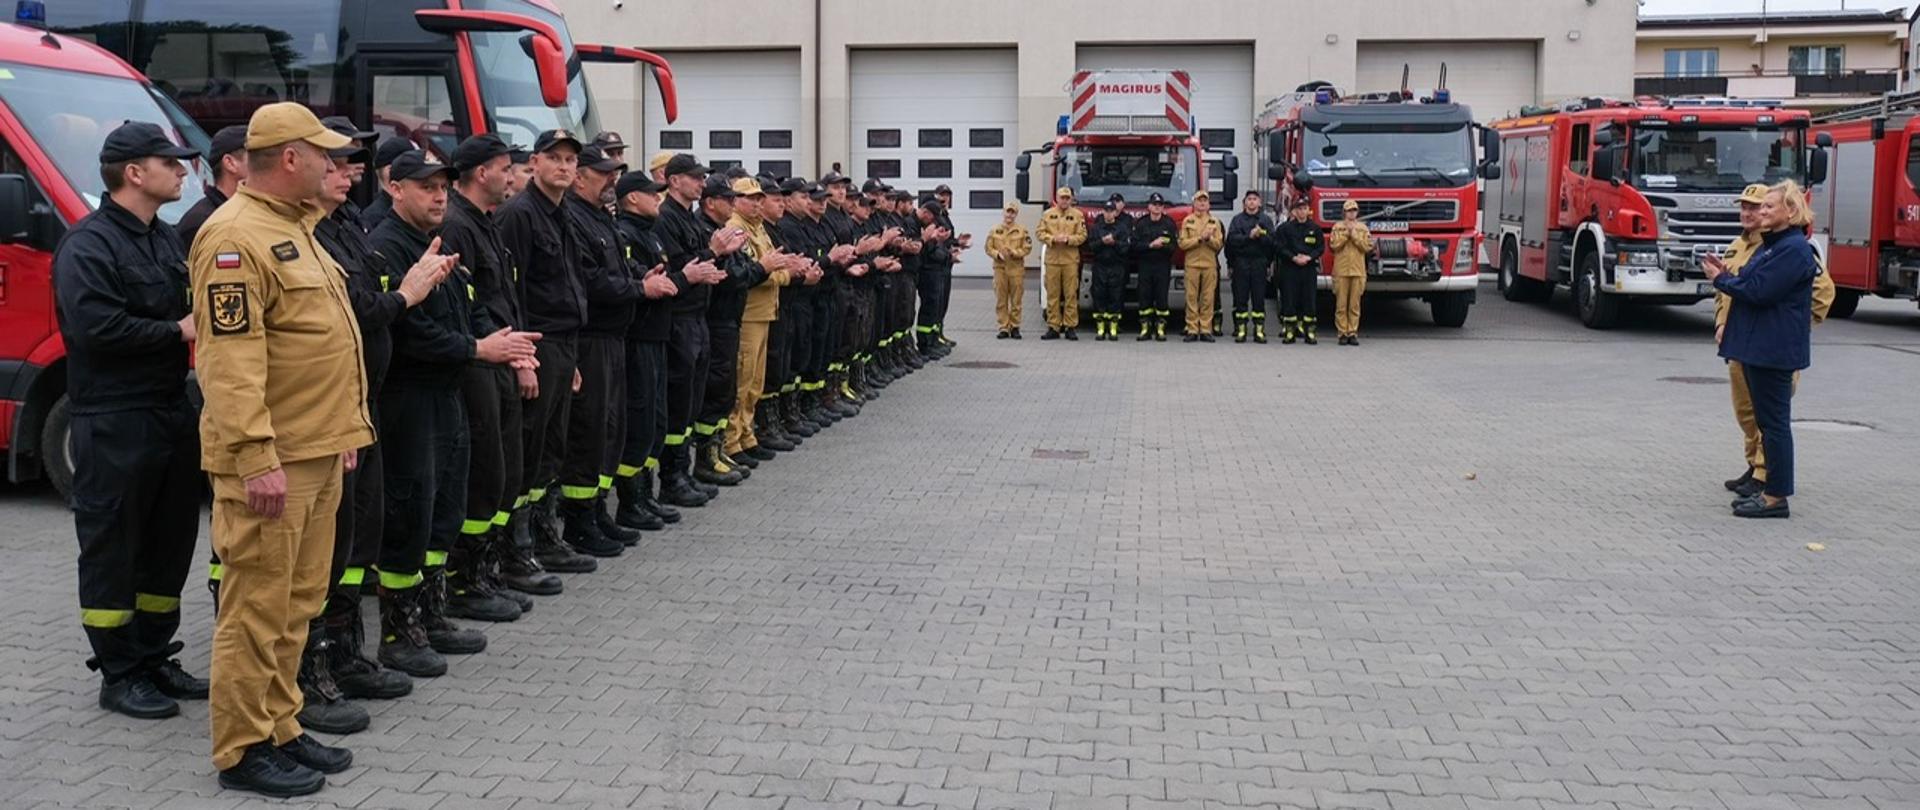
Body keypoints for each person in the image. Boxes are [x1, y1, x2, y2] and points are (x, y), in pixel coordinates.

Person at [191, 102, 385, 798]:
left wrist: (341, 435)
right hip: (272, 460)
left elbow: (316, 348)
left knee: (298, 601)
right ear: (292, 159)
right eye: (327, 154)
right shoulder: (233, 237)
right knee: (256, 609)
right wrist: (254, 456)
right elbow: (232, 362)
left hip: (318, 448)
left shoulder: (298, 229)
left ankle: (280, 724)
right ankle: (241, 750)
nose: (339, 166)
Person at [52, 122, 207, 721]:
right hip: (113, 417)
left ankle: (153, 654)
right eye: (170, 162)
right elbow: (96, 330)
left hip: (169, 410)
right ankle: (118, 673)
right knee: (114, 545)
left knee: (169, 543)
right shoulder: (87, 246)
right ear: (134, 173)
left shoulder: (165, 241)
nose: (182, 171)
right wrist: (177, 330)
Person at [371, 150, 539, 675]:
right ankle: (399, 632)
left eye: (443, 186)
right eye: (426, 187)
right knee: (408, 515)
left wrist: (500, 339)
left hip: (447, 397)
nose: (439, 195)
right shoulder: (385, 248)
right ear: (395, 188)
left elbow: (471, 306)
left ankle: (432, 611)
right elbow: (406, 330)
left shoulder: (437, 245)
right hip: (409, 400)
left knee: (443, 511)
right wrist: (475, 350)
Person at [307, 120, 432, 729]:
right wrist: (406, 294)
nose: (349, 170)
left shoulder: (345, 225)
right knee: (319, 550)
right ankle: (309, 675)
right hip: (320, 417)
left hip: (361, 404)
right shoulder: (296, 234)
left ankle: (343, 652)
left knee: (357, 537)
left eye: (353, 161)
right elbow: (359, 308)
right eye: (335, 161)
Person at [438, 133, 553, 619]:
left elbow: (503, 297)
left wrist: (521, 354)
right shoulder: (457, 227)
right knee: (483, 474)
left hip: (501, 358)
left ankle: (488, 570)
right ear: (481, 173)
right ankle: (466, 583)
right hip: (478, 366)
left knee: (501, 473)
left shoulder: (485, 224)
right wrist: (511, 354)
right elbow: (473, 307)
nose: (513, 177)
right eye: (506, 168)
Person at [495, 130, 598, 576]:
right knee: (529, 449)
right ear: (533, 163)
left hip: (564, 346)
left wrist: (570, 360)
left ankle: (542, 536)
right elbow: (509, 292)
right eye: (553, 158)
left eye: (570, 160)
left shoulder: (564, 214)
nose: (563, 166)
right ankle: (514, 550)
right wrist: (523, 359)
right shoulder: (519, 216)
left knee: (552, 448)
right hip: (536, 345)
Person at [1704, 181, 1823, 519]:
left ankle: (1775, 496)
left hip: (1773, 349)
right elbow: (1750, 283)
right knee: (1766, 423)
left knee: (1774, 425)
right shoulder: (1772, 246)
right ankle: (1769, 490)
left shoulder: (1793, 249)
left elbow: (1759, 291)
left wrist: (1721, 280)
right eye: (1761, 206)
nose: (1762, 211)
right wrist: (1726, 276)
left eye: (1770, 206)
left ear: (1791, 211)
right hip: (1759, 347)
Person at [557, 144, 644, 557]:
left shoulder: (599, 217)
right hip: (590, 340)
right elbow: (591, 280)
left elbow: (617, 269)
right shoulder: (574, 218)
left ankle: (599, 511)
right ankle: (578, 521)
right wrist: (640, 288)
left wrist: (641, 279)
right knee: (588, 432)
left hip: (613, 338)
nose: (612, 179)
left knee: (610, 430)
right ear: (579, 178)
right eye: (603, 172)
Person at [652, 154, 734, 507]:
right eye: (694, 178)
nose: (701, 184)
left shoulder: (686, 217)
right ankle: (671, 478)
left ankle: (683, 472)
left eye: (702, 178)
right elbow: (680, 267)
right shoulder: (665, 219)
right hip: (679, 320)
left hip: (699, 316)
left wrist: (718, 257)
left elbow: (701, 264)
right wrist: (711, 251)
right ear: (673, 181)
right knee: (678, 401)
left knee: (692, 403)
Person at [610, 170, 687, 530]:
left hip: (657, 336)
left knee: (654, 421)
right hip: (638, 338)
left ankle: (646, 495)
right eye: (650, 193)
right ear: (631, 199)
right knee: (639, 421)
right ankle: (631, 502)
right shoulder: (626, 233)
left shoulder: (648, 233)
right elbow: (640, 279)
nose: (657, 198)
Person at [724, 177, 798, 467]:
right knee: (742, 381)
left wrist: (778, 271)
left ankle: (747, 435)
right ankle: (732, 441)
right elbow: (758, 273)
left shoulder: (758, 228)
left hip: (765, 312)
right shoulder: (736, 228)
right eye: (750, 198)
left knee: (755, 382)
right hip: (748, 314)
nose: (756, 203)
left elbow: (771, 267)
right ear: (736, 200)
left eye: (758, 198)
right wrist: (780, 273)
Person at [695, 175, 764, 487]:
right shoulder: (709, 232)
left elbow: (743, 268)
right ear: (711, 202)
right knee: (716, 391)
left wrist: (756, 268)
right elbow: (734, 276)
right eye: (729, 199)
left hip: (729, 319)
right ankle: (706, 460)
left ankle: (718, 449)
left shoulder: (724, 232)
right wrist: (763, 268)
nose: (733, 204)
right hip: (716, 319)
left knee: (725, 390)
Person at [177, 124, 248, 250]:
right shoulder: (201, 223)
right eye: (256, 157)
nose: (264, 163)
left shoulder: (251, 213)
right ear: (230, 163)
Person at [1271, 197, 1324, 345]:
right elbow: (1279, 247)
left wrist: (1309, 257)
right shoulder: (1285, 229)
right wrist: (1293, 257)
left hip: (1308, 269)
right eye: (1299, 209)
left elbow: (1320, 248)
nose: (1302, 212)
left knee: (1309, 301)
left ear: (1308, 210)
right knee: (1289, 300)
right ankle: (1289, 332)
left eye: (1304, 208)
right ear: (1294, 211)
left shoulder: (1315, 229)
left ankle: (1310, 333)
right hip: (1290, 268)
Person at [1226, 190, 1275, 344]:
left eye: (1255, 199)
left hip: (1259, 263)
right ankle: (1241, 330)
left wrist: (1261, 236)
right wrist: (1249, 237)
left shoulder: (1265, 220)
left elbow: (1273, 243)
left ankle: (1259, 330)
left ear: (1259, 203)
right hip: (1241, 263)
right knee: (1240, 298)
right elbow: (1232, 242)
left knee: (1258, 298)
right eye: (1249, 199)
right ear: (1244, 203)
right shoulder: (1237, 220)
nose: (1252, 202)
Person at [1037, 187, 1086, 340]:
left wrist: (1069, 240)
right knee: (1052, 294)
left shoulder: (1078, 215)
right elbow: (1039, 232)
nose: (1064, 201)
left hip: (1070, 260)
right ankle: (1053, 326)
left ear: (1071, 199)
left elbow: (1083, 235)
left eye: (1067, 198)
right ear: (1056, 199)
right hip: (1052, 260)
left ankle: (1070, 326)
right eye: (1062, 198)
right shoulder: (1047, 214)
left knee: (1071, 294)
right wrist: (1052, 239)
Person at [1178, 190, 1224, 343]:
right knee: (1191, 297)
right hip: (1192, 265)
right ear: (1194, 203)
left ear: (1209, 204)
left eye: (1205, 201)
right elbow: (1182, 244)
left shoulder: (1214, 222)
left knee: (1207, 298)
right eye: (1199, 201)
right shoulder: (1187, 221)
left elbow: (1218, 245)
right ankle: (1192, 329)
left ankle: (1205, 329)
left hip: (1209, 264)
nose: (1202, 204)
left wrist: (1209, 239)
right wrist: (1199, 239)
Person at [1132, 192, 1177, 341]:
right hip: (1145, 265)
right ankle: (1145, 329)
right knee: (1144, 297)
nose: (1157, 208)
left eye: (1160, 205)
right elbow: (1134, 246)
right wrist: (1151, 245)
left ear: (1163, 207)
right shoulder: (1141, 223)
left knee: (1161, 297)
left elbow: (1173, 247)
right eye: (1154, 205)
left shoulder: (1169, 223)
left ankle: (1160, 329)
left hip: (1162, 265)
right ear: (1149, 206)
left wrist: (1161, 246)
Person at [1328, 199, 1374, 345]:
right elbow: (1334, 246)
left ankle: (1352, 332)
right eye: (1349, 210)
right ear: (1344, 212)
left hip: (1358, 271)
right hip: (1341, 271)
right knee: (1341, 305)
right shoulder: (1337, 227)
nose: (1351, 213)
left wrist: (1355, 236)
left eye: (1354, 210)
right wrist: (1346, 235)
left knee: (1355, 305)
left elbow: (1367, 247)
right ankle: (1342, 333)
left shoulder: (1363, 228)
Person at [1086, 196, 1132, 341]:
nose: (1108, 213)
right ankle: (1100, 328)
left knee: (1115, 297)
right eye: (1106, 211)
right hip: (1100, 267)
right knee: (1099, 296)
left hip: (1117, 267)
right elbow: (1090, 247)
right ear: (1103, 212)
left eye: (1111, 211)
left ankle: (1113, 328)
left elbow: (1126, 248)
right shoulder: (1096, 228)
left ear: (1115, 212)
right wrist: (1102, 242)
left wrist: (1114, 243)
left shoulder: (1122, 228)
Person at [986, 201, 1032, 339]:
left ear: (1016, 214)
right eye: (1008, 211)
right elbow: (988, 248)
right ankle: (1003, 327)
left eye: (1013, 212)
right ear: (1003, 212)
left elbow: (1027, 248)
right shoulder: (994, 230)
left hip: (1016, 269)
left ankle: (1015, 326)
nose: (1010, 215)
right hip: (1000, 269)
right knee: (1001, 299)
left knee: (1016, 300)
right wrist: (997, 254)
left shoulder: (1022, 230)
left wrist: (1014, 252)